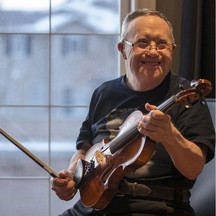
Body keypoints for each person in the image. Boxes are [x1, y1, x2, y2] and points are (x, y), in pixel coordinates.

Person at [51, 8, 215, 216]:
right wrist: (72, 179)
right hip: (92, 207)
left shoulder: (186, 98)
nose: (154, 52)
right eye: (143, 43)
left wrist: (170, 135)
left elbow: (194, 168)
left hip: (154, 207)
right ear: (122, 49)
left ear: (172, 50)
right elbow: (83, 150)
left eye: (162, 44)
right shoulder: (104, 93)